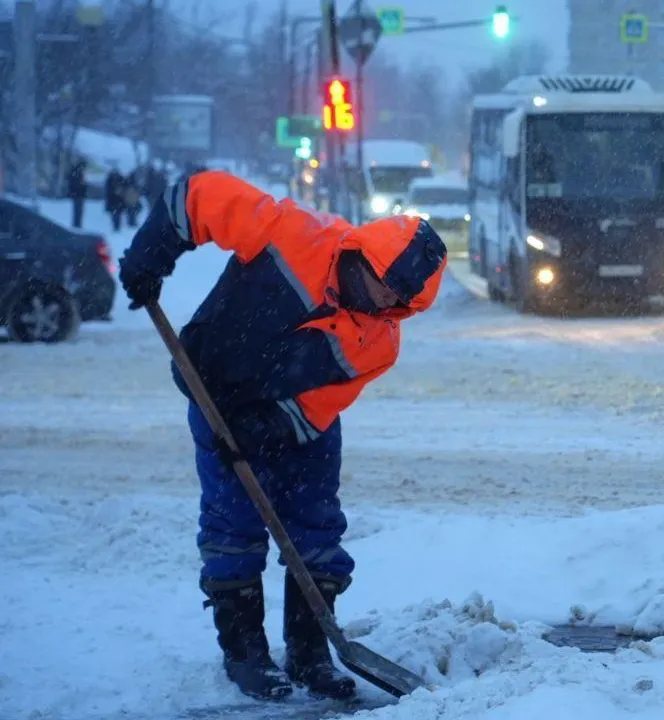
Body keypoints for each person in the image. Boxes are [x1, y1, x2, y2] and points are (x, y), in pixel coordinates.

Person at [115, 171, 447, 702]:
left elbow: (323, 401)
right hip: (215, 390)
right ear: (366, 254)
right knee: (233, 522)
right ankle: (244, 651)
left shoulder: (380, 339)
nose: (385, 298)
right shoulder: (293, 234)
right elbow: (194, 197)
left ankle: (310, 649)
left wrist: (269, 427)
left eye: (399, 297)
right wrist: (148, 256)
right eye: (383, 281)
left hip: (301, 420)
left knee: (317, 526)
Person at [66, 157, 88, 228]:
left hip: (78, 194)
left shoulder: (76, 171)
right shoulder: (77, 172)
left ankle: (77, 225)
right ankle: (77, 225)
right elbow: (75, 183)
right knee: (78, 211)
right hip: (77, 194)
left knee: (78, 211)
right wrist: (82, 185)